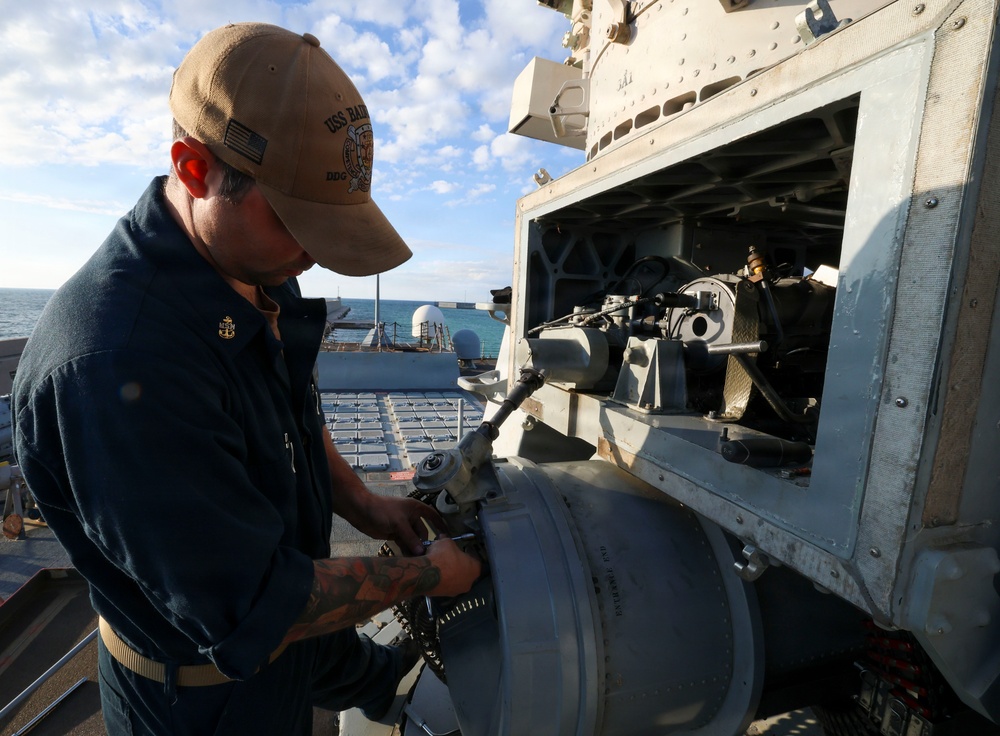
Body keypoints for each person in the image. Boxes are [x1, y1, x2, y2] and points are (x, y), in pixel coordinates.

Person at [12, 22, 481, 735]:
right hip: (199, 702)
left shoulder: (254, 263)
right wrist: (430, 576)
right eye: (297, 220)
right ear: (195, 169)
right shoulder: (118, 368)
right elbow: (256, 605)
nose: (313, 256)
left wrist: (363, 501)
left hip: (290, 657)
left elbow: (291, 408)